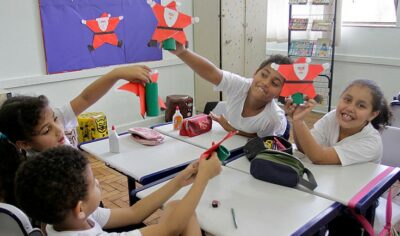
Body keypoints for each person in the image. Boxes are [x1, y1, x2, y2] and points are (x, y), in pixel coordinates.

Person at [0, 64, 151, 204]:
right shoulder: (44, 175)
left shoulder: (48, 127)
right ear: (25, 144)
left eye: (55, 119)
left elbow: (85, 98)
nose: (58, 129)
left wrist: (116, 74)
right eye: (46, 130)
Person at [15, 146, 222, 236]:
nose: (98, 182)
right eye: (93, 182)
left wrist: (180, 180)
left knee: (175, 208)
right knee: (180, 218)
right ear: (79, 208)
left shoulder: (63, 218)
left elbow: (134, 213)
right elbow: (168, 229)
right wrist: (203, 178)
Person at [171, 43, 293, 138]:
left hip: (276, 134)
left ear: (281, 92)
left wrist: (229, 127)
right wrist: (182, 52)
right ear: (255, 73)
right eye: (264, 75)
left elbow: (259, 140)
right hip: (241, 128)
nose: (266, 83)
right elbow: (212, 73)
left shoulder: (272, 119)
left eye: (274, 83)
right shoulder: (239, 85)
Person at [285, 79, 392, 166]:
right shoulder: (333, 117)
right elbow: (304, 149)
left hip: (357, 189)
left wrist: (299, 122)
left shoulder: (371, 143)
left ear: (372, 114)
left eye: (361, 106)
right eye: (347, 100)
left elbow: (319, 157)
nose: (350, 108)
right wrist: (297, 120)